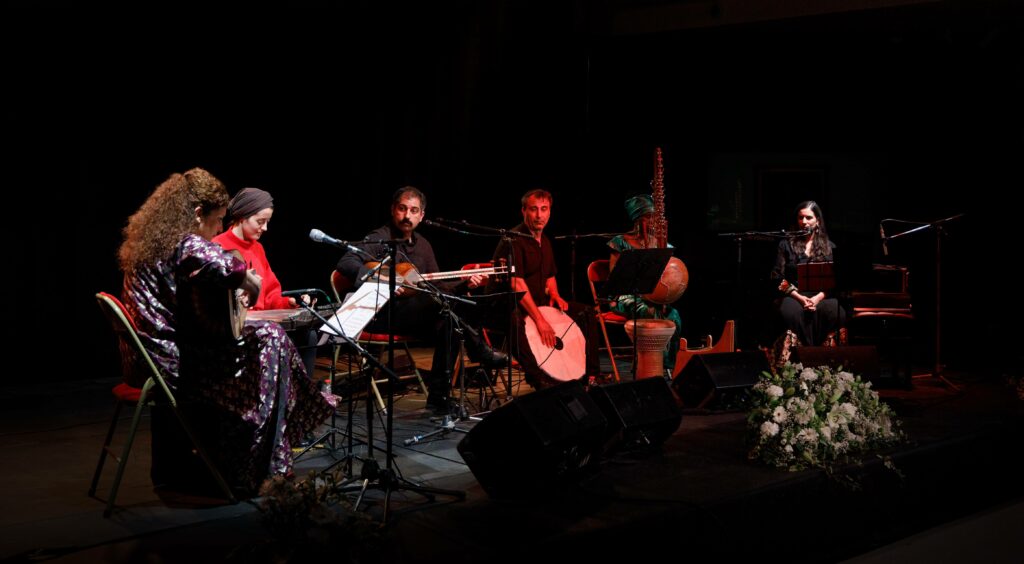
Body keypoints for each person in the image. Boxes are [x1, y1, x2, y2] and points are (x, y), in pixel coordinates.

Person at [118, 168, 333, 495]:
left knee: (265, 340)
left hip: (147, 358)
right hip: (172, 364)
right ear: (197, 213)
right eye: (218, 219)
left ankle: (258, 451)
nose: (220, 227)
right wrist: (248, 280)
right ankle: (259, 461)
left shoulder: (153, 241)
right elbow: (227, 265)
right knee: (270, 342)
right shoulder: (184, 241)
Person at [336, 186, 507, 412]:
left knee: (450, 321)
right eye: (402, 209)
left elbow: (437, 287)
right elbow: (346, 263)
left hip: (418, 315)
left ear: (421, 216)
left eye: (413, 211)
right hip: (384, 314)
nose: (407, 216)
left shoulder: (423, 245)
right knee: (446, 308)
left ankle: (438, 397)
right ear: (393, 210)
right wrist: (382, 279)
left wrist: (466, 284)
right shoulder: (380, 238)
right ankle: (479, 350)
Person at [490, 189, 600, 389]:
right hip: (510, 305)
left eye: (544, 209)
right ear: (524, 211)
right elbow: (516, 284)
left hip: (539, 303)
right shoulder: (512, 240)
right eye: (533, 209)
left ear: (550, 211)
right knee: (515, 319)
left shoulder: (545, 241)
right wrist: (540, 320)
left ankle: (590, 375)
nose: (539, 215)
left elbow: (550, 276)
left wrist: (555, 295)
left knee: (585, 312)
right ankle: (539, 378)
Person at [213, 187, 318, 376]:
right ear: (242, 216)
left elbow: (271, 295)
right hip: (236, 332)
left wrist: (289, 302)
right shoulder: (218, 247)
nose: (265, 228)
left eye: (267, 222)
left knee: (308, 335)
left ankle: (297, 399)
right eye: (260, 222)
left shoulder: (258, 249)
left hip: (263, 326)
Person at [606, 193, 683, 371]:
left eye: (654, 217)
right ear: (637, 220)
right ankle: (653, 366)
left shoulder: (662, 244)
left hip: (652, 298)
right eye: (647, 218)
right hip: (624, 296)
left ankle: (670, 365)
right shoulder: (620, 242)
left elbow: (669, 276)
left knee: (674, 316)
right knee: (650, 312)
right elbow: (616, 280)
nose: (652, 222)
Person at [769, 200, 846, 354]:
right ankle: (801, 357)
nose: (804, 221)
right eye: (800, 218)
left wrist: (817, 298)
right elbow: (777, 277)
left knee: (835, 311)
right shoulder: (786, 244)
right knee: (788, 312)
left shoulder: (829, 247)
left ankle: (825, 359)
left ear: (818, 221)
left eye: (809, 217)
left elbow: (836, 281)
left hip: (821, 296)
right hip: (795, 295)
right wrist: (800, 298)